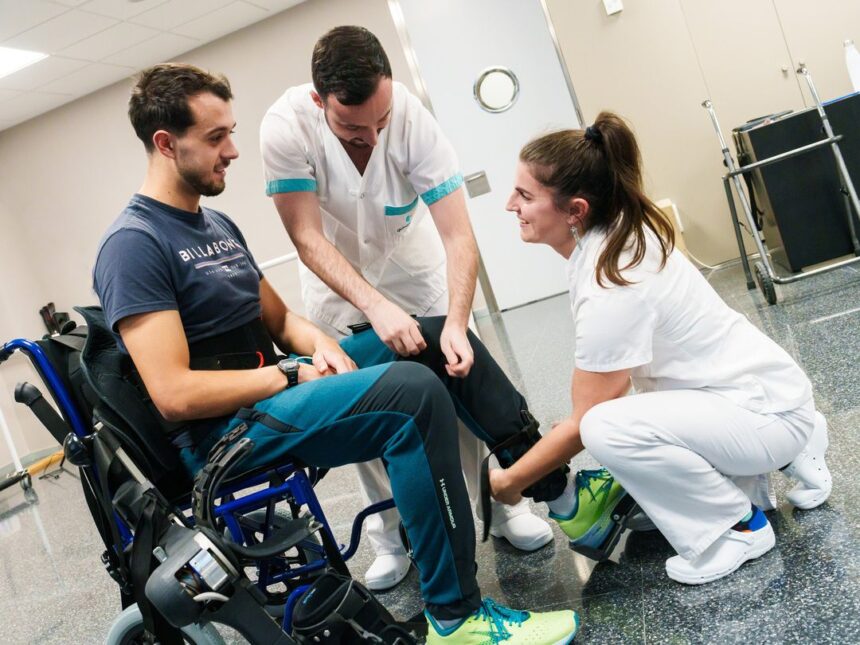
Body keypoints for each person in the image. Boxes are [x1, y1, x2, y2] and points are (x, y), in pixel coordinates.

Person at [93, 62, 578, 644]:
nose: (233, 151)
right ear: (167, 143)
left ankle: (558, 491)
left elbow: (279, 321)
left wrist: (322, 347)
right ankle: (457, 619)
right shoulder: (135, 245)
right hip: (227, 434)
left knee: (430, 339)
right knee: (412, 397)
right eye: (216, 137)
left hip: (269, 398)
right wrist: (289, 373)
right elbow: (174, 394)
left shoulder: (213, 224)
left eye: (231, 133)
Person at [259, 26, 551, 589]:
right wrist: (374, 306)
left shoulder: (413, 118)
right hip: (335, 288)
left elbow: (459, 235)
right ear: (319, 100)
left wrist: (457, 323)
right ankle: (390, 539)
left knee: (456, 385)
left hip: (416, 273)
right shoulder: (285, 126)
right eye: (353, 127)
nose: (372, 136)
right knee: (363, 405)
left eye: (381, 120)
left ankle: (501, 508)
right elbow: (306, 236)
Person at [490, 111, 833, 584]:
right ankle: (791, 447)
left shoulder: (611, 280)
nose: (510, 204)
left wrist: (509, 483)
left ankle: (736, 529)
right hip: (757, 390)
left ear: (576, 211)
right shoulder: (615, 231)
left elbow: (585, 421)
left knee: (604, 427)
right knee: (608, 421)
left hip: (762, 413)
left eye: (525, 195)